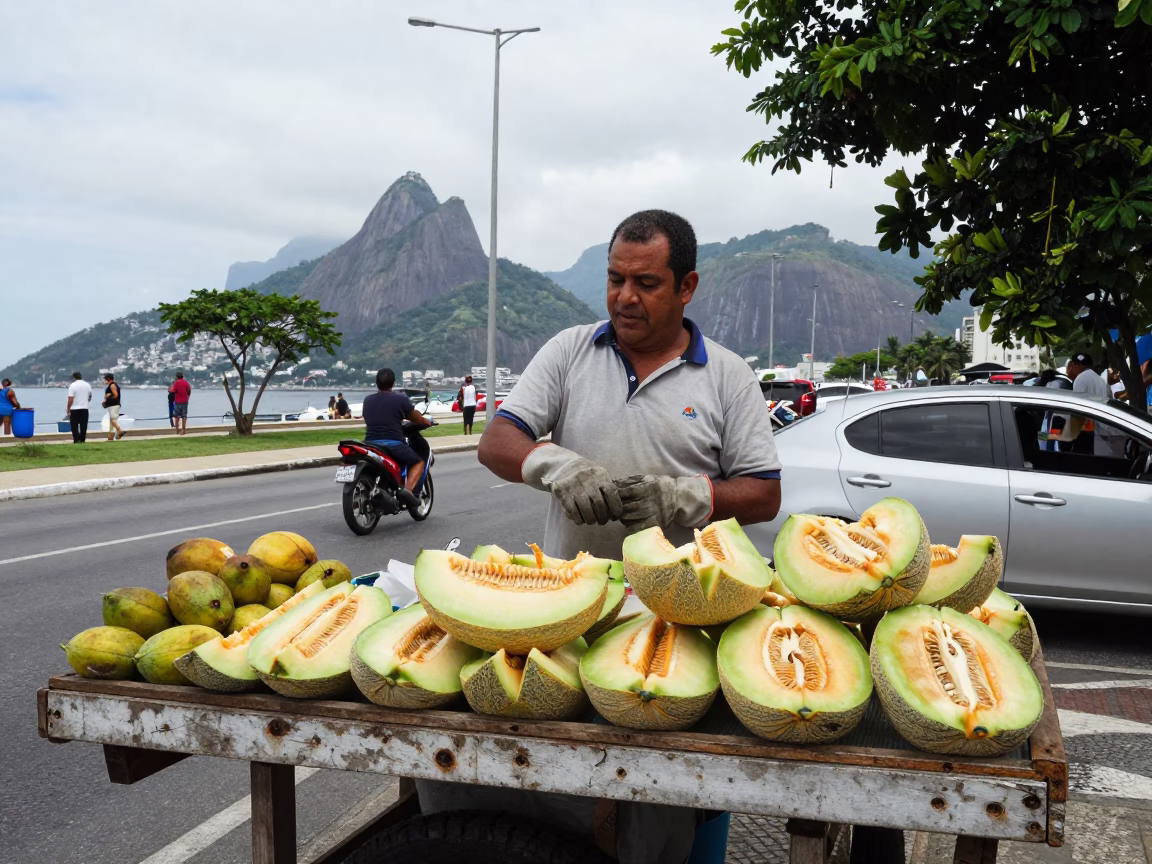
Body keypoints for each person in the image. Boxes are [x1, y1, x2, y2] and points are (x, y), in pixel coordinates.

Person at [453, 209, 782, 862]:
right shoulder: (573, 350)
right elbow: (497, 441)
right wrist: (554, 463)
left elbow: (765, 492)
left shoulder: (726, 375)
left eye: (647, 283)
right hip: (567, 614)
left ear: (686, 287)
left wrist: (688, 494)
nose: (625, 297)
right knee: (564, 784)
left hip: (677, 622)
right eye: (614, 279)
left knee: (672, 795)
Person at [362, 368, 432, 508]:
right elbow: (416, 419)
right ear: (393, 383)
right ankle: (408, 491)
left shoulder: (368, 400)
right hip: (393, 444)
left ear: (377, 383)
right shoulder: (401, 399)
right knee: (418, 462)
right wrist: (426, 422)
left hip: (370, 444)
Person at [66, 372, 92, 443]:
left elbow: (70, 398)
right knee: (83, 425)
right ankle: (82, 439)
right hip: (84, 408)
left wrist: (68, 408)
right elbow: (89, 397)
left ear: (74, 377)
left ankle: (76, 439)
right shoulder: (87, 385)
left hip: (74, 408)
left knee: (74, 425)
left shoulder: (73, 385)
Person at [102, 373, 123, 441]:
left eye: (105, 380)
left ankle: (119, 430)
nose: (104, 381)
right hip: (112, 405)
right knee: (112, 421)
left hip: (114, 405)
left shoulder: (112, 385)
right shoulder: (112, 385)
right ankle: (111, 436)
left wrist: (108, 396)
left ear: (108, 379)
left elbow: (115, 395)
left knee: (113, 420)